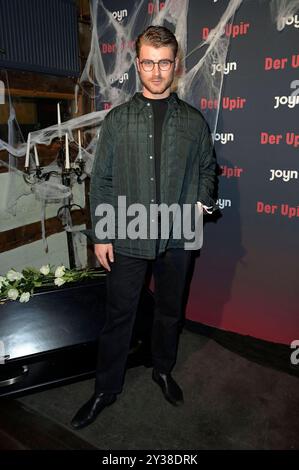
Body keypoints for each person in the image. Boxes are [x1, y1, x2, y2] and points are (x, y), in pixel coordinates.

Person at [71, 25, 217, 430]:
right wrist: (101, 233)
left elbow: (209, 167)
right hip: (128, 231)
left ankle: (163, 370)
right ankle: (106, 388)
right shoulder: (118, 120)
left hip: (178, 234)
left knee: (170, 312)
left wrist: (202, 202)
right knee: (120, 315)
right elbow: (101, 180)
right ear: (138, 64)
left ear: (176, 66)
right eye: (149, 62)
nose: (156, 71)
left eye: (164, 63)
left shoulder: (193, 121)